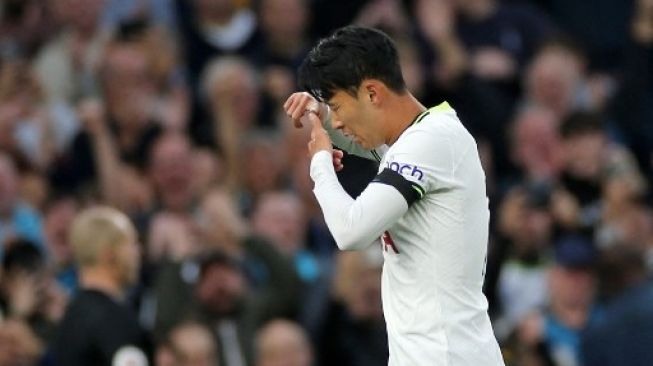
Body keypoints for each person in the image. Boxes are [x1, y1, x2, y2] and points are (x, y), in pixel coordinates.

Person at [283, 26, 504, 365]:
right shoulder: (421, 138)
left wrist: (320, 160)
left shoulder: (433, 141)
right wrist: (323, 113)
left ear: (372, 93)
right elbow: (377, 148)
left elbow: (351, 231)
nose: (338, 122)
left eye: (339, 107)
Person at [51, 206, 150, 366]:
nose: (138, 252)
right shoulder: (116, 321)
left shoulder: (70, 315)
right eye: (132, 244)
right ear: (109, 254)